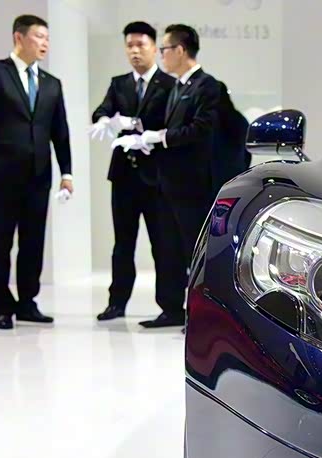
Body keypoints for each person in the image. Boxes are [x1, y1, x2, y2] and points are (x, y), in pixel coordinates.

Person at [113, 24, 219, 328]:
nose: (162, 55)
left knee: (193, 252)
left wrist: (160, 137)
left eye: (165, 49)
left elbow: (201, 130)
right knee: (169, 249)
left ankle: (201, 313)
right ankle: (171, 309)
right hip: (167, 183)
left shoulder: (207, 86)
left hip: (192, 185)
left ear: (180, 51)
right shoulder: (177, 87)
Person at [0, 15, 73, 330]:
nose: (45, 43)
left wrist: (67, 173)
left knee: (33, 242)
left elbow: (60, 132)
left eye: (47, 38)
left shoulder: (52, 83)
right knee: (0, 242)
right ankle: (2, 308)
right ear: (19, 37)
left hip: (38, 174)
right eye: (39, 36)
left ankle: (28, 302)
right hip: (1, 173)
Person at [89, 21, 179, 322]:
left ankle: (170, 306)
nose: (135, 51)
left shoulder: (169, 85)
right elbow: (102, 110)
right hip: (124, 176)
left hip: (157, 177)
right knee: (122, 244)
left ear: (154, 47)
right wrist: (104, 120)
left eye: (141, 44)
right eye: (129, 45)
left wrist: (139, 127)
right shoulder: (119, 84)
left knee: (163, 244)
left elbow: (172, 124)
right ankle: (117, 303)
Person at [211, 80, 252, 198]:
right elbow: (247, 153)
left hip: (210, 183)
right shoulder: (240, 119)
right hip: (236, 179)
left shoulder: (205, 122)